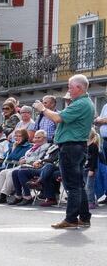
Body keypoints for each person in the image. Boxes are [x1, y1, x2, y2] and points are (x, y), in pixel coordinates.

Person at [35, 74, 96, 229]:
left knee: (72, 185)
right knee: (78, 185)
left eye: (70, 87)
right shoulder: (82, 103)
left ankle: (71, 219)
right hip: (76, 147)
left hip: (71, 147)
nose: (68, 89)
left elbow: (57, 118)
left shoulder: (81, 104)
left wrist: (43, 109)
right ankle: (84, 217)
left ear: (79, 88)